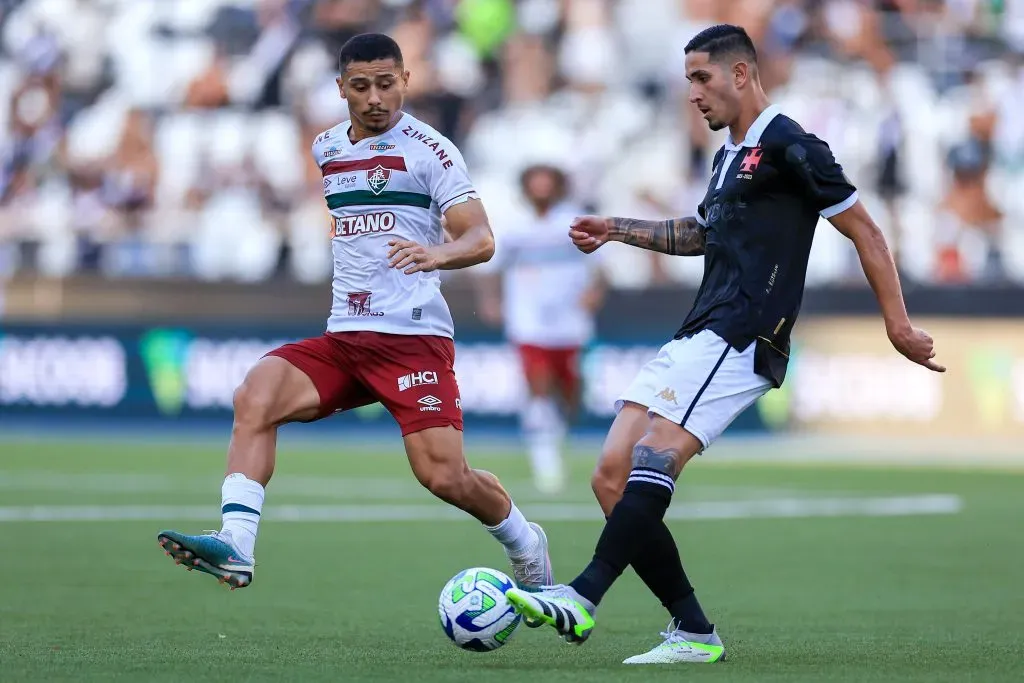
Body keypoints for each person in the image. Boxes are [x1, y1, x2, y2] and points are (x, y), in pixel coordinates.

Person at [504, 24, 945, 664]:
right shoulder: (727, 157)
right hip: (698, 327)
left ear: (741, 74)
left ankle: (582, 595)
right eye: (688, 80)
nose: (692, 94)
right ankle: (693, 631)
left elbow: (867, 232)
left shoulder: (792, 143)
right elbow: (701, 236)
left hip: (745, 331)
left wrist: (898, 325)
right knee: (608, 477)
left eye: (701, 78)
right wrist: (617, 230)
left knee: (656, 455)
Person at [156, 33, 554, 593]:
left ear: (405, 82)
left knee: (444, 476)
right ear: (341, 87)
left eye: (386, 85)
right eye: (361, 86)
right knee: (256, 394)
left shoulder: (432, 151)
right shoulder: (327, 149)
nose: (375, 98)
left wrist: (436, 252)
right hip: (345, 336)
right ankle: (237, 545)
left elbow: (482, 239)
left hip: (412, 338)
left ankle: (524, 540)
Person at [478, 164, 605, 494]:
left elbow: (600, 267)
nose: (541, 189)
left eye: (547, 183)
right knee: (537, 385)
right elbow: (491, 266)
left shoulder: (575, 221)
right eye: (535, 183)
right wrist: (491, 300)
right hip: (529, 322)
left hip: (571, 322)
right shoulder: (514, 227)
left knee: (570, 396)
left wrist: (594, 293)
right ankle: (545, 460)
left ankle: (554, 431)